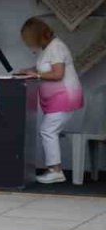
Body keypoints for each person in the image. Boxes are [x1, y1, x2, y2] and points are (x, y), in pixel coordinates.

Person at [16, 17, 83, 184]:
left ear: (37, 35)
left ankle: (55, 170)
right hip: (56, 99)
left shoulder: (56, 47)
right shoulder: (47, 48)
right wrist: (29, 70)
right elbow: (44, 66)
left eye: (29, 39)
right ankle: (53, 169)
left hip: (65, 97)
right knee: (48, 130)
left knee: (47, 130)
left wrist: (36, 75)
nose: (28, 43)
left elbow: (57, 74)